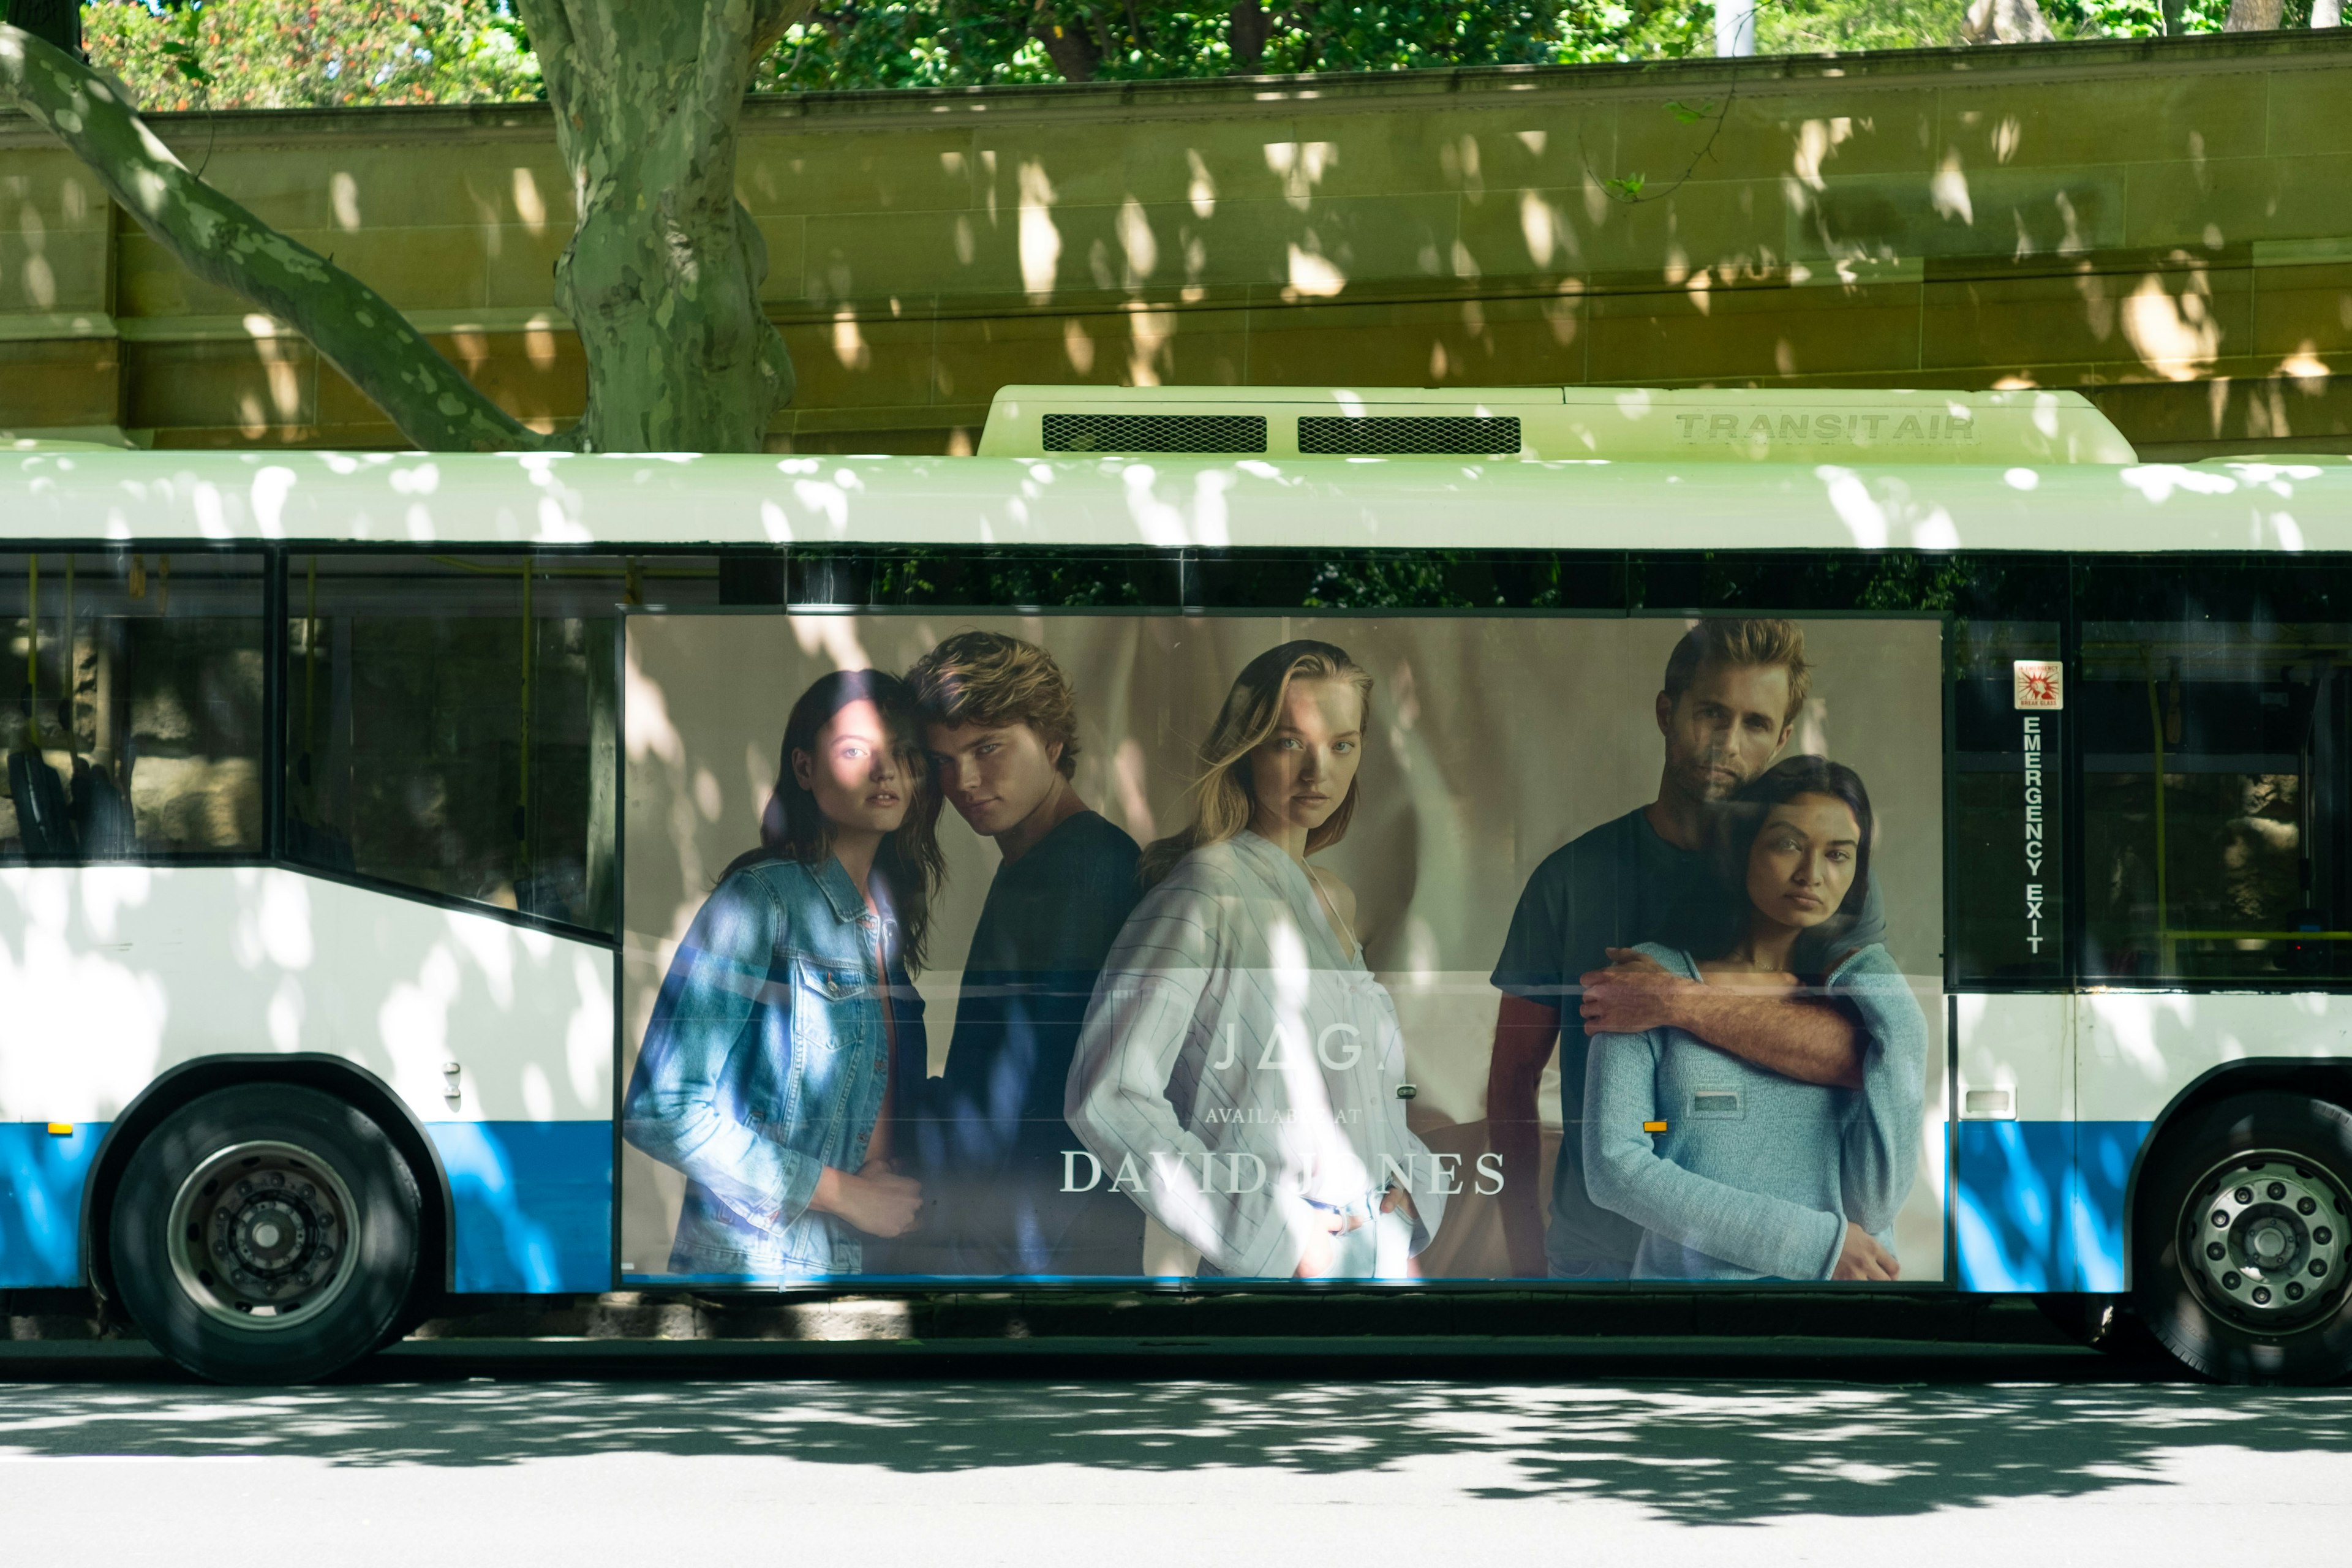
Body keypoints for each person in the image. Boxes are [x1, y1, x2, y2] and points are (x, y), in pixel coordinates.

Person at [1486, 618, 1888, 1279]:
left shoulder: (1826, 886)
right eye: (1710, 713)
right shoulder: (1571, 879)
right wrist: (1525, 1255)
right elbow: (1512, 1083)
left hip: (1782, 1256)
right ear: (1667, 713)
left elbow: (1864, 1059)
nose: (1727, 743)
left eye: (1756, 724)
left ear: (1783, 738)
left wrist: (1678, 1003)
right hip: (1601, 1259)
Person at [1066, 640, 1447, 1279]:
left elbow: (1361, 1090)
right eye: (1290, 742)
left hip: (1377, 1252)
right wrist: (1280, 1240)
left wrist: (1409, 1194)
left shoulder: (1334, 898)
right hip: (1280, 1267)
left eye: (1342, 745)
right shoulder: (1204, 890)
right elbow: (1108, 1096)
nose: (1317, 771)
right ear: (1246, 749)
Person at [622, 669, 942, 1281]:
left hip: (869, 1265)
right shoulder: (759, 900)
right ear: (804, 768)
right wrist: (848, 1195)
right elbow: (662, 1110)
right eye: (856, 750)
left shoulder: (884, 918)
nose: (886, 771)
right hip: (766, 1268)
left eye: (902, 753)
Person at [1582, 756, 1924, 1280]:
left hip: (1836, 1320)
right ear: (1743, 848)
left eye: (1838, 855)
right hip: (1694, 1318)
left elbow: (1873, 1204)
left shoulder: (1860, 1003)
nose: (1812, 874)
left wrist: (1873, 969)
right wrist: (1812, 1247)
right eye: (1788, 843)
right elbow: (1614, 1166)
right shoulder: (1649, 978)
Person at [901, 630, 1148, 1276]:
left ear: (1054, 739)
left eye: (988, 748)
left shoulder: (1085, 867)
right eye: (943, 760)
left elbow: (1049, 1097)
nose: (964, 781)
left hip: (1038, 1249)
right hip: (1021, 1234)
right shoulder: (1038, 860)